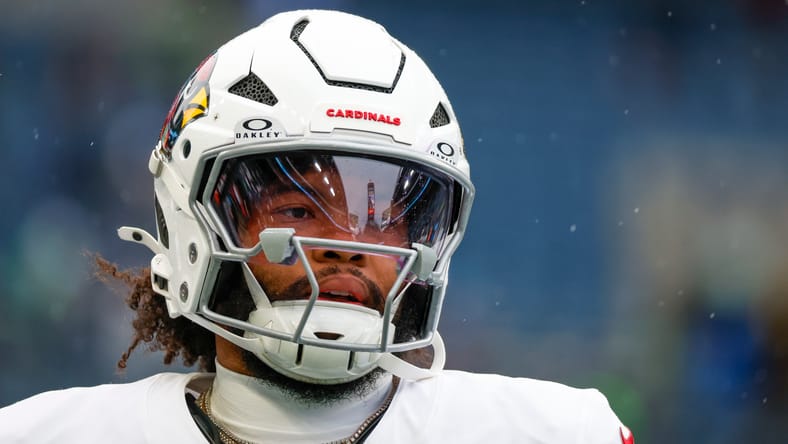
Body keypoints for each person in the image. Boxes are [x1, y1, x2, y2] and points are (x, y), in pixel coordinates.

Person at [0, 9, 633, 444]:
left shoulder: (555, 433)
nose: (347, 248)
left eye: (380, 219)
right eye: (298, 211)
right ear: (196, 221)